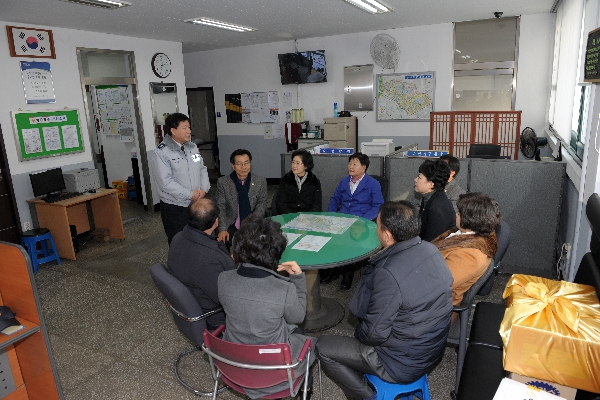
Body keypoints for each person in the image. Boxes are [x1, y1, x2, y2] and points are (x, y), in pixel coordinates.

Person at [316, 201, 453, 400]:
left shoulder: (389, 272)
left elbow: (373, 334)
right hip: (431, 351)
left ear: (387, 234)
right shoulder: (430, 250)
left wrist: (358, 333)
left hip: (400, 363)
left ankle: (366, 395)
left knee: (324, 346)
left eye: (377, 225)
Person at [218, 214, 316, 399]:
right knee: (303, 338)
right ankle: (305, 391)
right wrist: (298, 279)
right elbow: (298, 316)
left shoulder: (223, 280)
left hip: (234, 365)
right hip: (274, 370)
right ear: (276, 253)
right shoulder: (283, 288)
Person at [168, 198, 235, 330]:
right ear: (216, 222)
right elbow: (228, 299)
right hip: (214, 316)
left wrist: (226, 260)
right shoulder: (208, 259)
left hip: (194, 299)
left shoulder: (178, 237)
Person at [431, 192, 500, 320]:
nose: (456, 214)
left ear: (470, 220)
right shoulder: (463, 234)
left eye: (459, 213)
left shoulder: (472, 255)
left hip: (436, 309)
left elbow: (436, 285)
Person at [324, 153, 384, 289]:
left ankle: (347, 275)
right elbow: (335, 199)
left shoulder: (373, 184)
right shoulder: (344, 181)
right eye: (350, 163)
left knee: (350, 243)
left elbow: (378, 205)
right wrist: (331, 215)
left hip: (362, 220)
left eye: (354, 164)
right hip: (343, 218)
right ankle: (331, 269)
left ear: (364, 167)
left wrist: (363, 219)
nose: (351, 166)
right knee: (330, 239)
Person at [152, 112, 210, 245]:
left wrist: (204, 188)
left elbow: (202, 168)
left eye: (189, 127)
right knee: (179, 241)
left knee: (197, 239)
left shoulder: (193, 147)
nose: (189, 131)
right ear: (173, 130)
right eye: (185, 128)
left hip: (196, 203)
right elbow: (165, 182)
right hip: (175, 207)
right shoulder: (161, 152)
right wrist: (190, 194)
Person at [215, 149, 268, 247]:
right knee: (222, 243)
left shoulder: (260, 181)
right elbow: (220, 207)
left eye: (246, 163)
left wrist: (253, 221)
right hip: (231, 224)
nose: (243, 167)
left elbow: (262, 203)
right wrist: (222, 229)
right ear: (233, 166)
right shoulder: (223, 183)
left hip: (253, 223)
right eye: (239, 164)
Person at [414, 159, 455, 241]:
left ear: (431, 184)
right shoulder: (429, 198)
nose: (415, 180)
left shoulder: (437, 208)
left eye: (419, 177)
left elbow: (432, 241)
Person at [273, 149, 322, 215]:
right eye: (293, 162)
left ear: (306, 166)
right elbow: (280, 204)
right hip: (289, 217)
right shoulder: (286, 180)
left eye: (298, 163)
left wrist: (305, 218)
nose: (294, 166)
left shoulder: (314, 181)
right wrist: (292, 217)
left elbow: (317, 206)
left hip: (307, 219)